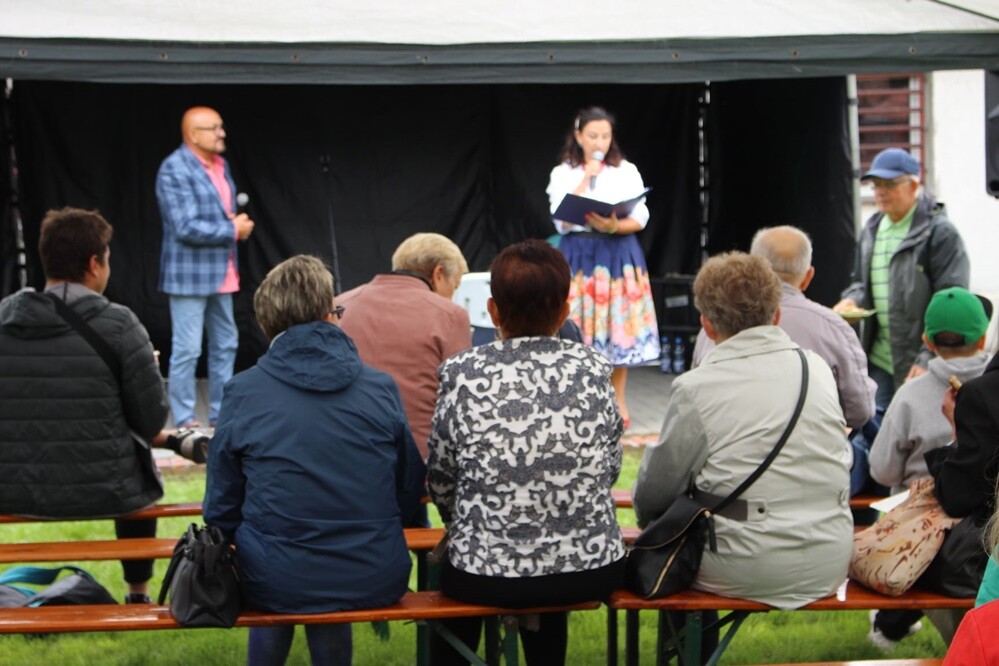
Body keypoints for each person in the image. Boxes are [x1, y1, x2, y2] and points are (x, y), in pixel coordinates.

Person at [204, 255, 425, 666]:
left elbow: (220, 505)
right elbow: (408, 484)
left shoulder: (244, 392)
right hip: (372, 570)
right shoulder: (379, 387)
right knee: (310, 575)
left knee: (289, 571)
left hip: (275, 574)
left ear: (268, 323)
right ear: (330, 314)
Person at [427, 239, 626, 666]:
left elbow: (441, 478)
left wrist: (468, 524)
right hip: (589, 569)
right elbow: (609, 470)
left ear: (493, 310)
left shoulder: (462, 373)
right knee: (547, 573)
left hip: (484, 573)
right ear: (565, 311)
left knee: (465, 574)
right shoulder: (595, 369)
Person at [634, 252, 853, 610]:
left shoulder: (697, 387)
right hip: (829, 556)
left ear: (706, 325)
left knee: (674, 552)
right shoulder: (816, 368)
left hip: (743, 564)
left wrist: (649, 520)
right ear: (777, 314)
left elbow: (657, 489)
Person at [0, 207, 168, 603]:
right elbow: (149, 421)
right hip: (107, 490)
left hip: (11, 488)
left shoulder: (4, 319)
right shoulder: (121, 325)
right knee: (142, 467)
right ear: (94, 264)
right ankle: (138, 593)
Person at [866, 287, 991, 650]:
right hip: (982, 531)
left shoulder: (910, 395)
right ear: (984, 337)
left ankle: (893, 621)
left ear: (926, 340)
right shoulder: (993, 389)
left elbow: (882, 470)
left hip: (915, 535)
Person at [692, 225, 876, 430]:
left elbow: (694, 405)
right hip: (813, 453)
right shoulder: (834, 328)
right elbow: (860, 411)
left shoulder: (717, 323)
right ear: (808, 277)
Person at [546, 106, 660, 428]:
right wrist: (587, 177)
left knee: (615, 326)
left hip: (616, 253)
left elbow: (640, 216)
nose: (600, 142)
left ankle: (618, 400)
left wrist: (613, 226)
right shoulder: (563, 173)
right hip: (579, 254)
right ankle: (575, 401)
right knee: (578, 324)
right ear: (579, 135)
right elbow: (559, 217)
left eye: (606, 136)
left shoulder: (626, 170)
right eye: (593, 135)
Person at [835, 147, 970, 411]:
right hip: (879, 360)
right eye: (875, 185)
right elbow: (861, 282)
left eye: (889, 184)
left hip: (923, 362)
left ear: (914, 185)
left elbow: (951, 304)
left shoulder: (939, 234)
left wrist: (927, 356)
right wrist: (851, 300)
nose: (880, 191)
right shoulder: (872, 229)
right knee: (876, 434)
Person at [156, 106, 255, 429]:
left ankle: (221, 414)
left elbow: (211, 214)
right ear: (192, 135)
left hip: (222, 271)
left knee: (226, 342)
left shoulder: (221, 164)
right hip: (189, 276)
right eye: (213, 128)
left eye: (221, 127)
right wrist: (232, 230)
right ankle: (184, 418)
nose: (221, 133)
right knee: (187, 348)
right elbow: (184, 226)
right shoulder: (174, 169)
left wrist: (230, 223)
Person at [336, 232, 472, 460]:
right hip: (419, 467)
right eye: (455, 286)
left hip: (345, 457)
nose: (453, 295)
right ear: (438, 273)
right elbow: (460, 401)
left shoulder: (339, 305)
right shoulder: (450, 315)